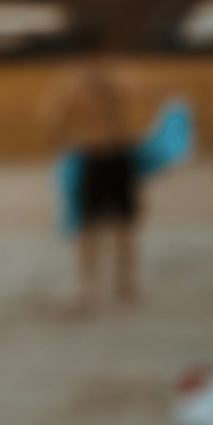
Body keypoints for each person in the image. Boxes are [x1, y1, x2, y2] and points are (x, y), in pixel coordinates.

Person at [52, 59, 143, 312]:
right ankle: (115, 284)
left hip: (103, 154)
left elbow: (51, 119)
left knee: (103, 225)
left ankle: (100, 286)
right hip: (107, 154)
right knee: (111, 225)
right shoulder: (107, 80)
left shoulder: (81, 83)